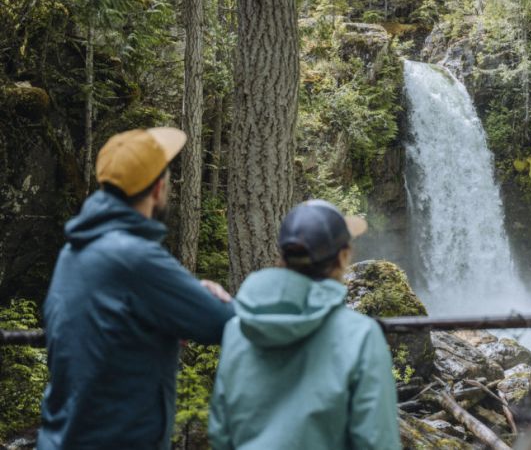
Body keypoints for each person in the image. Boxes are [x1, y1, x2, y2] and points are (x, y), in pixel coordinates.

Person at [39, 127, 235, 450]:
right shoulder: (135, 257)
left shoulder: (75, 251)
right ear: (158, 189)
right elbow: (223, 321)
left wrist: (180, 300)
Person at [209, 200, 400, 450]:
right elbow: (377, 441)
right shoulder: (361, 336)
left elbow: (221, 434)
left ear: (282, 257)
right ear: (344, 256)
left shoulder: (237, 330)